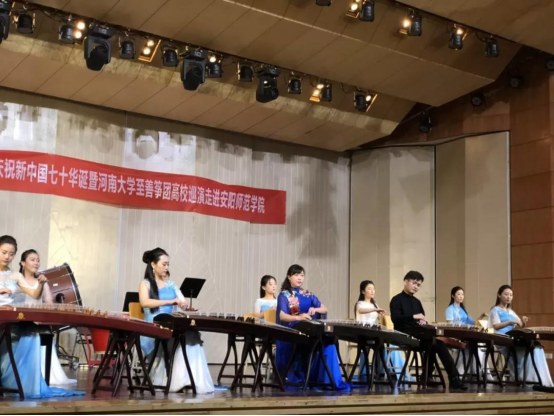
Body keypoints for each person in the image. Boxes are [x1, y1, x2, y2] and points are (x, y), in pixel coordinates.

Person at [0, 235, 84, 398]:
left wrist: (40, 284)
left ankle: (19, 383)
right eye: (3, 252)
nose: (7, 257)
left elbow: (34, 294)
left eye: (11, 254)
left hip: (9, 321)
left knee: (30, 336)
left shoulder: (16, 276)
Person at [139, 247, 214, 394]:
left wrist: (184, 305)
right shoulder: (145, 284)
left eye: (168, 264)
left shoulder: (171, 285)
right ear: (153, 265)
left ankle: (191, 381)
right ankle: (177, 381)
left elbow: (181, 300)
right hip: (153, 327)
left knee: (191, 335)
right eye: (164, 264)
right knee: (181, 337)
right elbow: (145, 302)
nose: (167, 267)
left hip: (171, 323)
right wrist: (170, 301)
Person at [276, 264, 350, 391]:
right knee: (320, 341)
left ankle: (328, 380)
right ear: (289, 277)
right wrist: (299, 317)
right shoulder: (284, 295)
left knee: (329, 342)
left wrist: (315, 309)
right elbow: (282, 316)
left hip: (310, 330)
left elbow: (324, 308)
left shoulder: (308, 294)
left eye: (302, 275)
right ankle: (315, 377)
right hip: (294, 333)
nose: (300, 278)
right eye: (296, 275)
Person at [390, 271, 467, 390]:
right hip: (404, 333)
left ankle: (438, 377)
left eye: (418, 285)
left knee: (437, 343)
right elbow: (395, 318)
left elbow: (422, 317)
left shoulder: (417, 302)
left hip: (419, 333)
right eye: (414, 283)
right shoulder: (396, 299)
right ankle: (436, 376)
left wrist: (423, 321)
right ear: (405, 281)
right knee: (434, 342)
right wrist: (414, 317)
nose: (416, 287)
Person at [15, 249, 76, 386]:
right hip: (19, 321)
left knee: (41, 330)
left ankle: (43, 374)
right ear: (23, 263)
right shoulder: (16, 281)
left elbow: (49, 303)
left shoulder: (42, 281)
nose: (36, 263)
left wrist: (45, 309)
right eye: (32, 260)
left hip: (37, 321)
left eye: (38, 260)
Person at [489, 285, 553, 386]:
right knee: (528, 347)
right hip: (502, 338)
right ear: (499, 295)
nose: (509, 297)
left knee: (536, 346)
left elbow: (519, 326)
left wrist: (523, 322)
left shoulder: (511, 311)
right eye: (506, 294)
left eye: (511, 295)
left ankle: (536, 379)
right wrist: (510, 321)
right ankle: (524, 377)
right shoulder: (495, 310)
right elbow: (496, 326)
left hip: (513, 336)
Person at [355, 280, 407, 381]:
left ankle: (381, 372)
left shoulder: (375, 304)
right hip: (363, 332)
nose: (372, 291)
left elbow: (378, 318)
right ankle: (365, 374)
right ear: (363, 291)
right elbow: (361, 311)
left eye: (373, 289)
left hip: (374, 332)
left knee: (381, 346)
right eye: (369, 289)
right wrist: (375, 310)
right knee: (366, 350)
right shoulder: (359, 303)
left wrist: (381, 314)